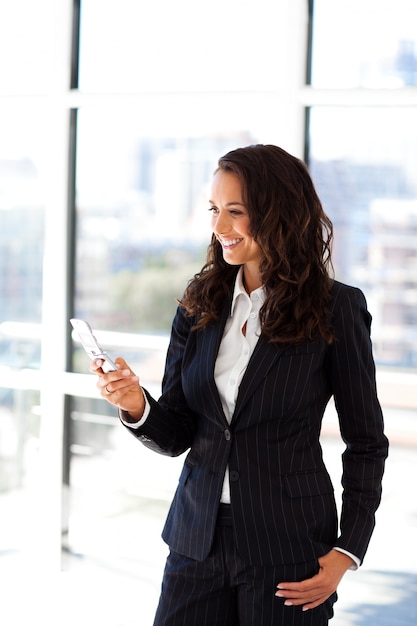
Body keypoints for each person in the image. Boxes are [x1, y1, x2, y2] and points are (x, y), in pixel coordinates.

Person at [90, 144, 388, 626]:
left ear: (278, 215)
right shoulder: (198, 303)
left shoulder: (336, 308)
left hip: (288, 550)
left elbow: (367, 443)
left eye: (235, 212)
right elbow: (177, 433)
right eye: (214, 210)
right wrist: (135, 404)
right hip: (196, 542)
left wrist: (346, 551)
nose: (219, 227)